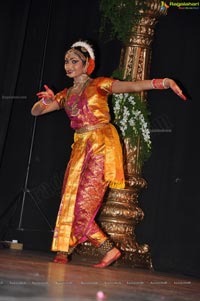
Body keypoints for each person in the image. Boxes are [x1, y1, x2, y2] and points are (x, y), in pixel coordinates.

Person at [31, 40, 186, 268]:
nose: (68, 65)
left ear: (87, 65)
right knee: (70, 200)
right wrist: (44, 100)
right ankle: (98, 249)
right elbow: (37, 112)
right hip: (80, 148)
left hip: (101, 146)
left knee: (84, 205)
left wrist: (164, 82)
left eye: (74, 61)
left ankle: (69, 248)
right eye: (66, 61)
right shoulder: (65, 95)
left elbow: (131, 86)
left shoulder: (100, 84)